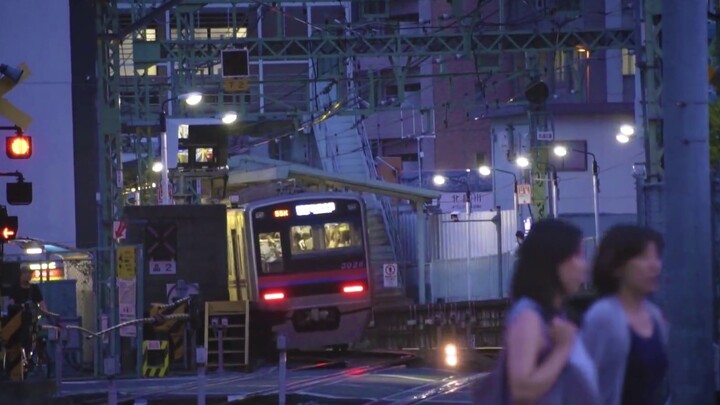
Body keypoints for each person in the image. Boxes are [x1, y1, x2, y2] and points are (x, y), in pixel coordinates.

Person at [504, 219, 599, 404]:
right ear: (555, 261)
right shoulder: (529, 316)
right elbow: (522, 390)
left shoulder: (555, 315)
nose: (584, 266)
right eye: (577, 256)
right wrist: (564, 347)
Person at [582, 224, 668, 405]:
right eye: (644, 257)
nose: (655, 266)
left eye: (657, 257)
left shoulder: (655, 316)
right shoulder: (603, 316)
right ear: (617, 267)